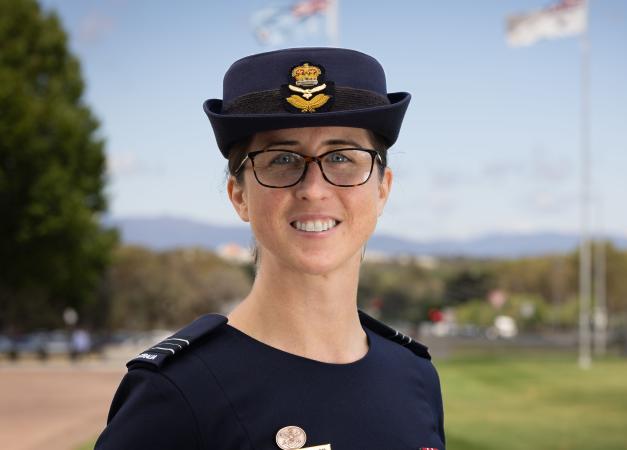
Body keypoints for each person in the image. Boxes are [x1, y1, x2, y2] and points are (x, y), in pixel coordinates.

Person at [95, 47, 446, 450]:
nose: (314, 190)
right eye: (282, 158)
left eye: (342, 157)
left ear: (382, 190)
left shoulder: (414, 375)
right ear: (238, 195)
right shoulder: (178, 393)